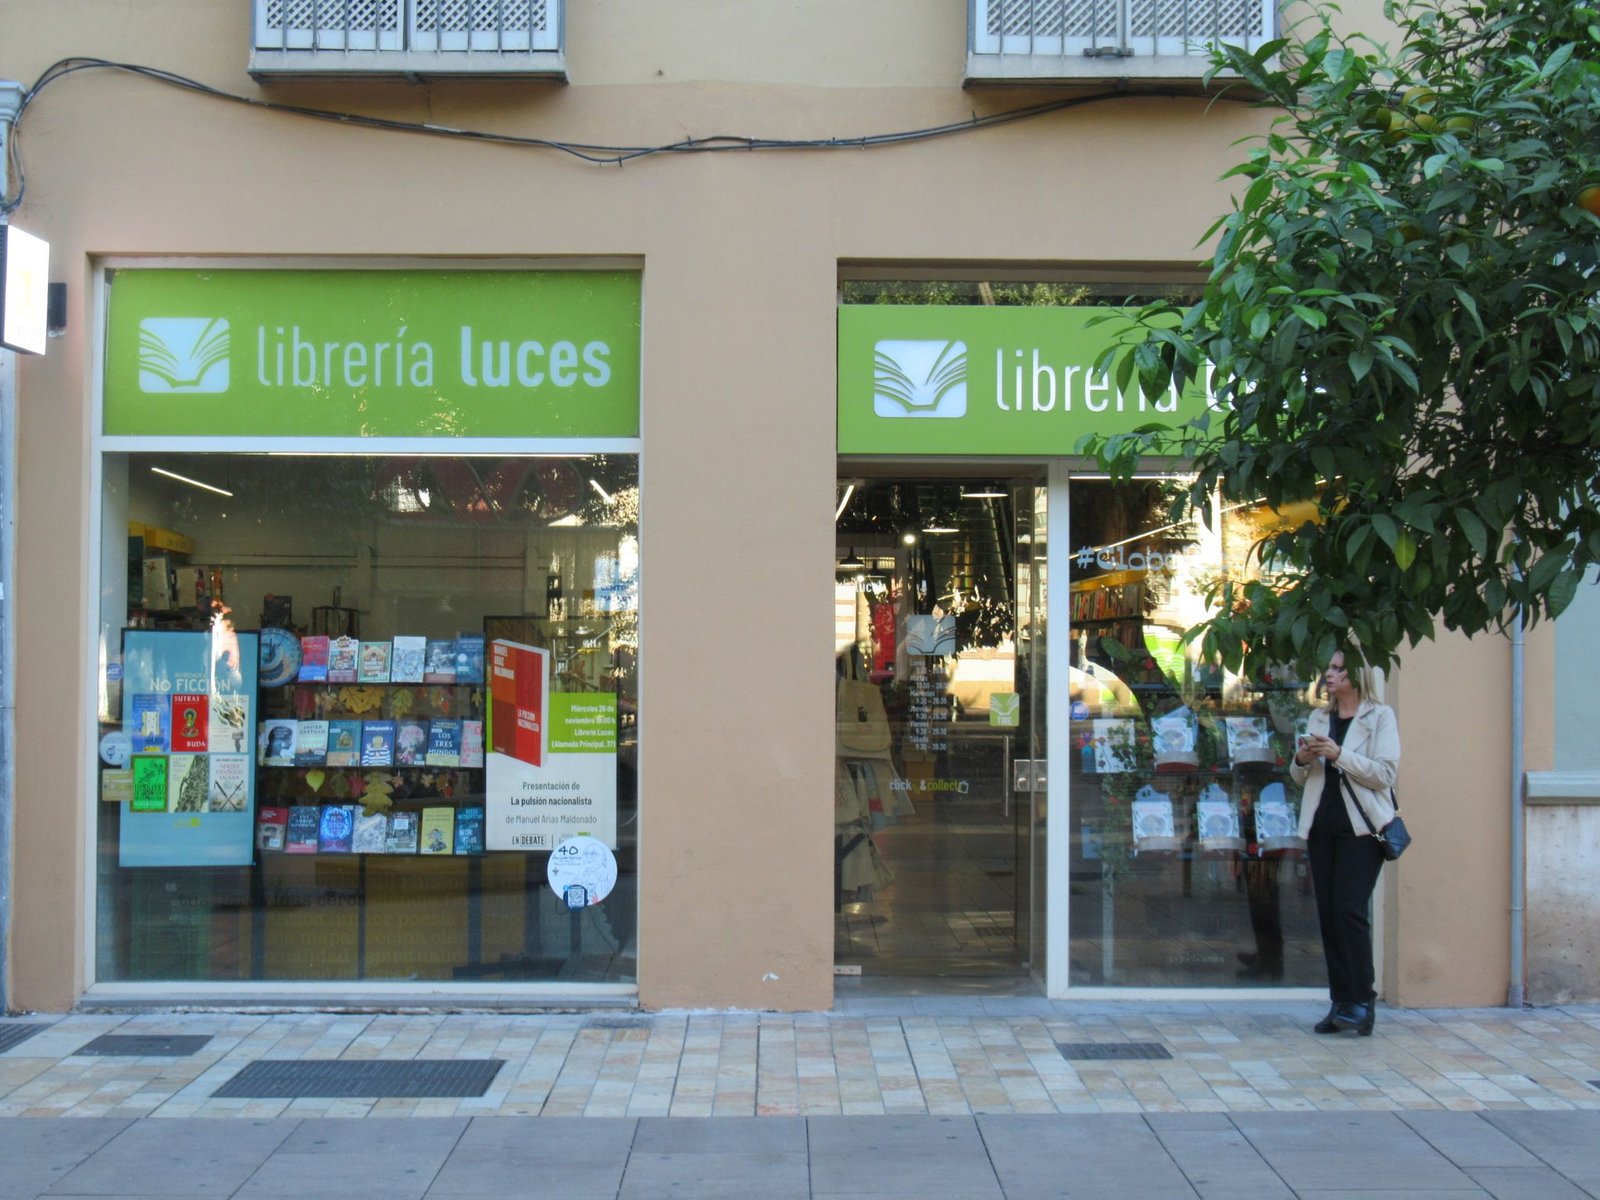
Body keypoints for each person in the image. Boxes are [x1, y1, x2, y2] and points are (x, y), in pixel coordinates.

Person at [1290, 651, 1400, 1036]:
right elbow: (1300, 776)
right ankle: (1340, 1002)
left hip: (1363, 829)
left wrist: (1340, 755)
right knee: (1328, 915)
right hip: (1322, 825)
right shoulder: (1320, 716)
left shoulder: (1379, 716)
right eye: (1329, 668)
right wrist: (1303, 758)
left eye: (1338, 669)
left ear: (1359, 674)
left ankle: (1362, 1000)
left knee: (1349, 911)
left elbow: (1384, 774)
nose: (1329, 675)